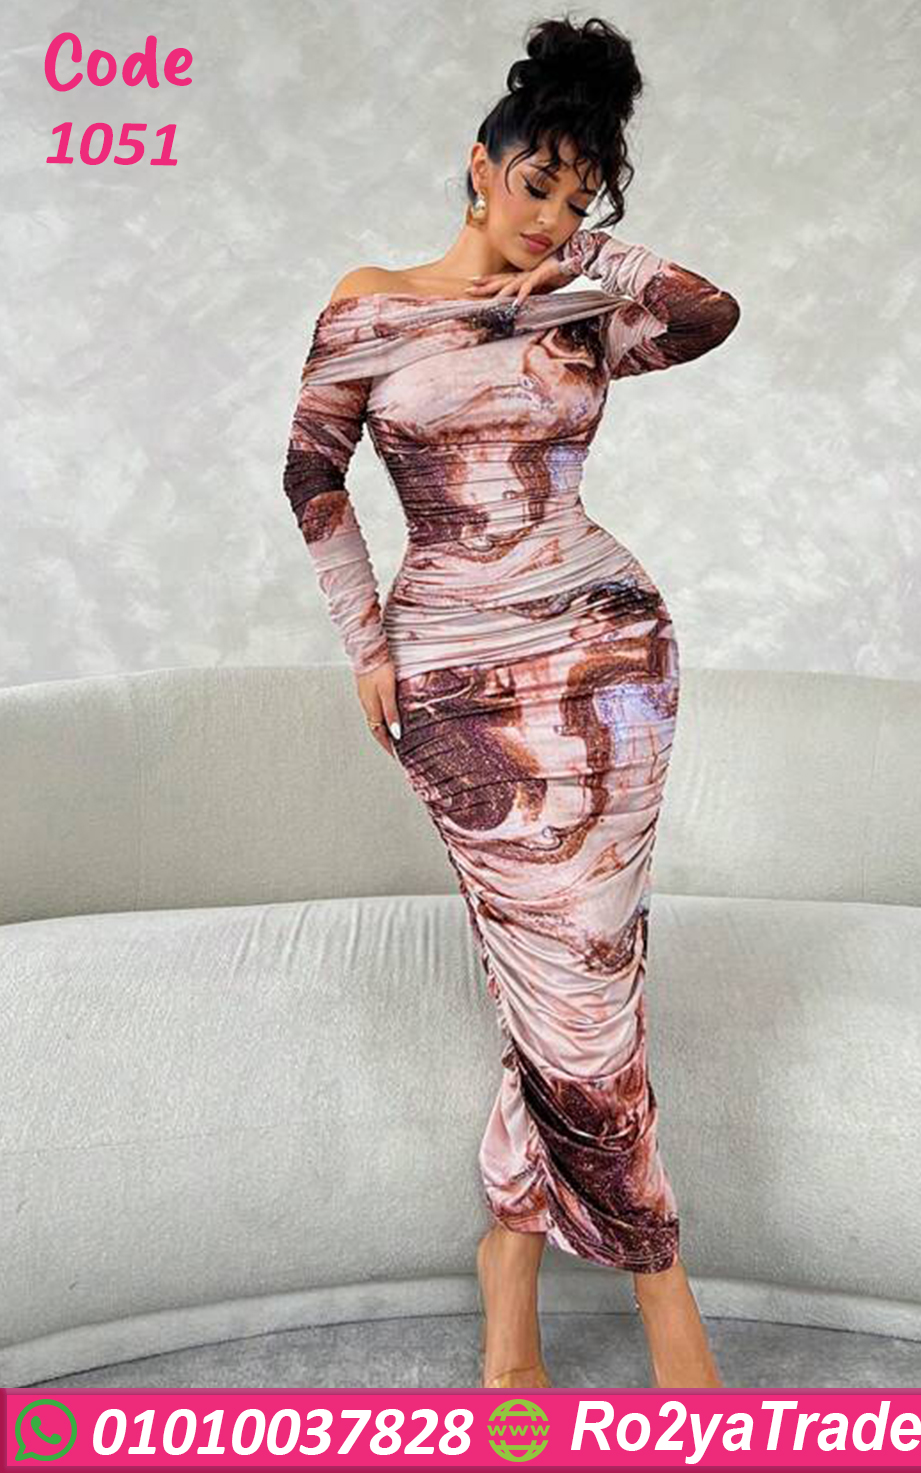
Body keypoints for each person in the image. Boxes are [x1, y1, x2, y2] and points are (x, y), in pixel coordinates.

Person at [282, 13, 740, 1389]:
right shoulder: (370, 303)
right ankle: (663, 1291)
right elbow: (313, 475)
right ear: (477, 166)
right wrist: (367, 644)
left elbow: (709, 312)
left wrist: (591, 256)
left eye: (579, 198)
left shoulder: (577, 308)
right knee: (564, 981)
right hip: (456, 679)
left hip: (612, 658)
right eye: (536, 184)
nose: (551, 217)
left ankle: (511, 1265)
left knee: (586, 966)